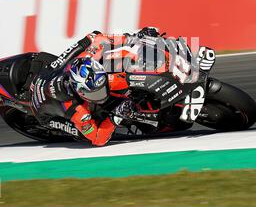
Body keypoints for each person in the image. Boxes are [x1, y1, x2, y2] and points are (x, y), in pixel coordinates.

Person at [30, 27, 160, 146]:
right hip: (43, 114)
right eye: (96, 94)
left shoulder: (87, 57)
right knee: (82, 134)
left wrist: (135, 37)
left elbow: (96, 37)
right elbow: (98, 139)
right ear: (81, 92)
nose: (103, 95)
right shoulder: (77, 110)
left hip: (49, 73)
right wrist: (115, 117)